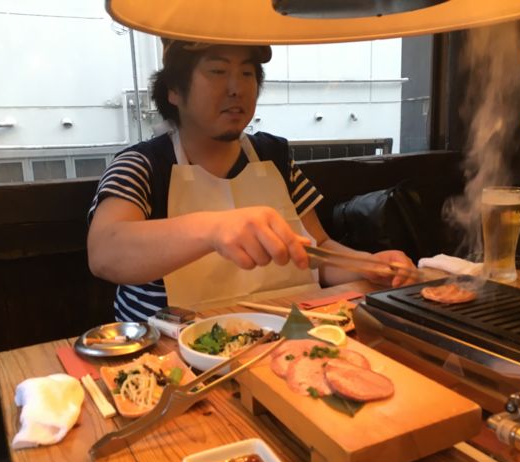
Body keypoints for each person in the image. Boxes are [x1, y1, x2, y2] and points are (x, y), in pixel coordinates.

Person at [87, 38, 416, 322]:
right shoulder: (142, 165)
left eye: (247, 73)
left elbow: (319, 251)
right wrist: (214, 229)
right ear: (174, 89)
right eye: (217, 71)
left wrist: (366, 265)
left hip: (283, 338)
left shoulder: (275, 158)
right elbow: (104, 252)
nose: (237, 88)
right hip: (171, 355)